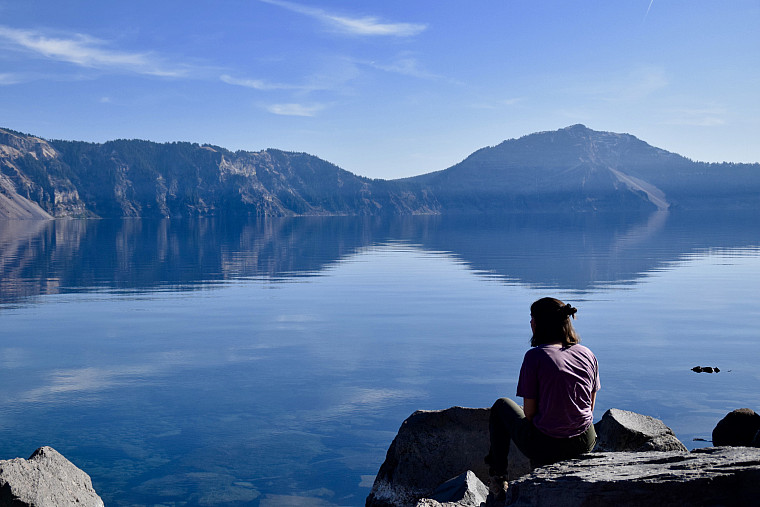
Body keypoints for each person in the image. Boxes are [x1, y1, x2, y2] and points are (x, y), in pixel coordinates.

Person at [484, 297, 600, 503]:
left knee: (502, 406)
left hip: (548, 446)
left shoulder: (535, 357)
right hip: (585, 441)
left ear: (541, 324)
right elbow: (590, 406)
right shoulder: (587, 354)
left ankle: (499, 480)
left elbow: (529, 414)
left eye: (532, 319)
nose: (530, 323)